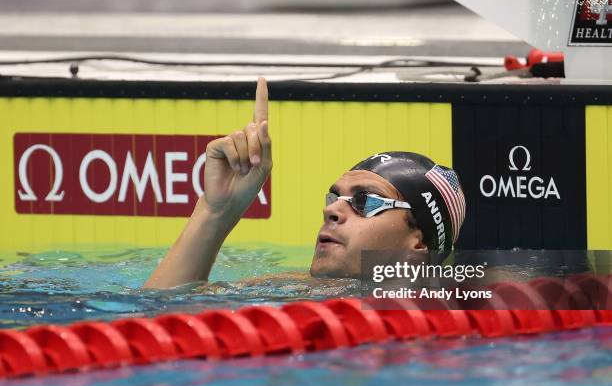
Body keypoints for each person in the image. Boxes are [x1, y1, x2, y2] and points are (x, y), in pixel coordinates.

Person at [144, 78, 466, 289]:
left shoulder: (443, 318)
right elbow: (157, 317)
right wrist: (217, 212)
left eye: (365, 201)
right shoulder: (284, 292)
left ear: (419, 246)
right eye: (333, 197)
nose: (332, 211)